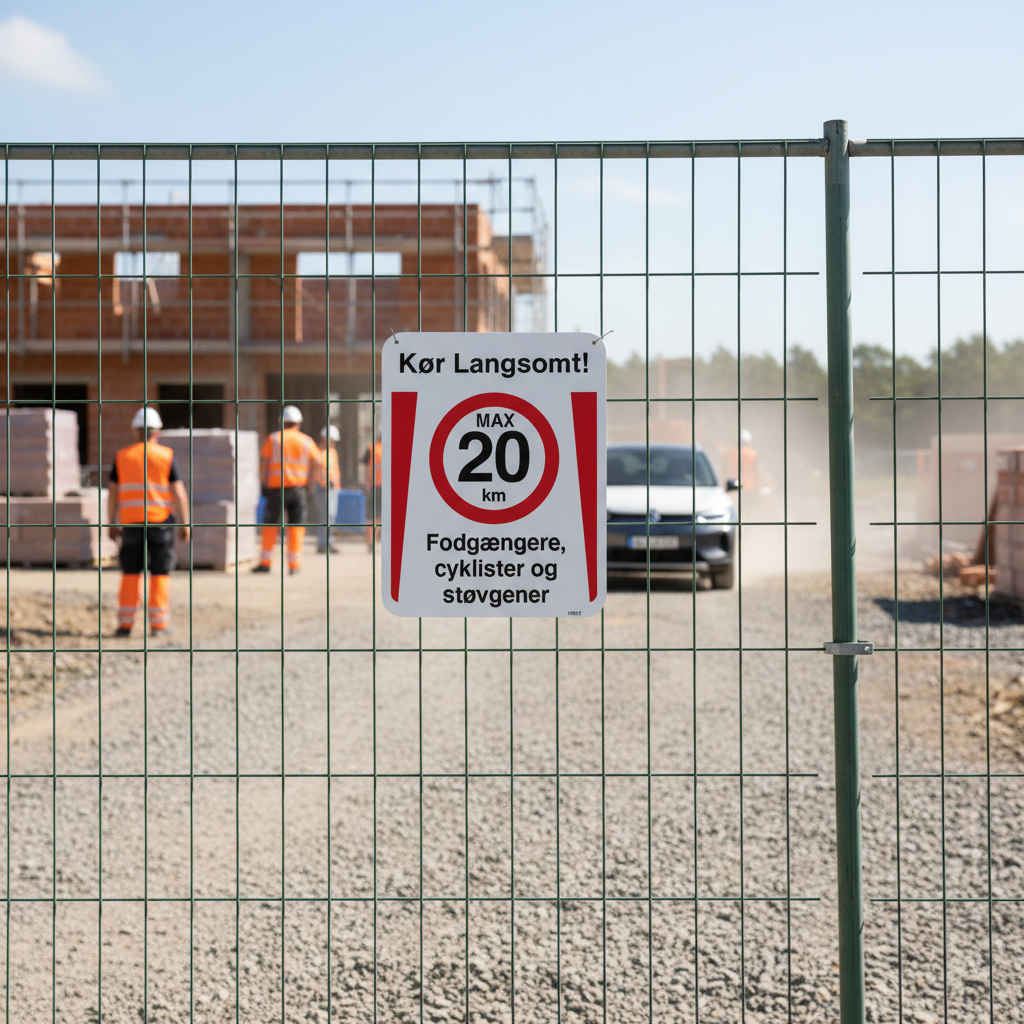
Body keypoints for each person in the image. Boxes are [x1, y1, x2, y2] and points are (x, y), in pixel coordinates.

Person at [107, 407, 190, 637]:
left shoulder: (122, 456)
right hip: (160, 522)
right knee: (160, 571)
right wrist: (185, 523)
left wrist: (112, 522)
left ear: (135, 431)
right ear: (157, 432)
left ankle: (125, 625)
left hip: (131, 523)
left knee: (131, 571)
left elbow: (113, 493)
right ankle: (159, 624)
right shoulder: (166, 456)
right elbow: (179, 493)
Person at [255, 405, 321, 574]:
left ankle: (265, 563)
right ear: (298, 423)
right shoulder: (306, 441)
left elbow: (263, 463)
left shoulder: (274, 439)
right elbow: (318, 463)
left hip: (275, 489)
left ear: (282, 422)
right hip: (298, 490)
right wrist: (311, 484)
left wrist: (263, 483)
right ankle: (294, 565)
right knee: (296, 526)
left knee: (270, 525)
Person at [314, 424, 341, 554]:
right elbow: (317, 470)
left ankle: (329, 542)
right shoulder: (319, 452)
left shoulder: (333, 452)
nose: (333, 442)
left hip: (333, 488)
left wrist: (337, 485)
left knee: (331, 516)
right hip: (323, 487)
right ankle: (322, 544)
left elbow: (335, 470)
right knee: (325, 516)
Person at [361, 429, 382, 550]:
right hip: (386, 487)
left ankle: (370, 541)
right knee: (380, 516)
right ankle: (375, 539)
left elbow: (366, 469)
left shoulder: (371, 449)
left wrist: (366, 485)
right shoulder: (392, 449)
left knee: (371, 516)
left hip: (373, 486)